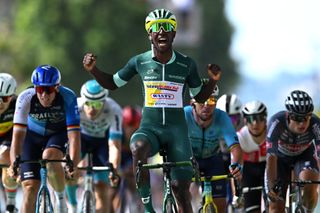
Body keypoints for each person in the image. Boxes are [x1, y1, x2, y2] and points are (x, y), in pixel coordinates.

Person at [82, 8, 221, 213]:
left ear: (174, 33)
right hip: (150, 129)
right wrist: (93, 70)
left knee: (181, 190)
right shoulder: (139, 61)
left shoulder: (186, 64)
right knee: (138, 148)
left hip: (177, 133)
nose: (162, 31)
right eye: (156, 27)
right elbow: (112, 83)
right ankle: (148, 208)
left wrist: (213, 81)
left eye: (167, 27)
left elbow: (199, 96)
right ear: (150, 34)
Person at [8, 65, 81, 213]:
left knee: (50, 157)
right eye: (40, 90)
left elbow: (74, 136)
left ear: (57, 87)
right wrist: (14, 163)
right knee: (29, 187)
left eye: (49, 90)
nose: (44, 95)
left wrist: (74, 164)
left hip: (57, 134)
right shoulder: (25, 97)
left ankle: (61, 201)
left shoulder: (68, 97)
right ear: (35, 88)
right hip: (32, 137)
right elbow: (17, 136)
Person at [65, 79, 122, 213]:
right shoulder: (75, 106)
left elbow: (115, 144)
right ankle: (72, 206)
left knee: (102, 187)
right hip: (80, 140)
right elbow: (68, 137)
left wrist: (114, 169)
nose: (92, 108)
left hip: (102, 142)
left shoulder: (114, 109)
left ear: (104, 102)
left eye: (96, 104)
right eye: (88, 103)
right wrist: (71, 162)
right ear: (83, 100)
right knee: (70, 171)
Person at [184, 85, 243, 213]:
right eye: (201, 100)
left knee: (220, 206)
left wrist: (236, 164)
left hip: (213, 160)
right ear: (192, 103)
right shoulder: (184, 114)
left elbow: (235, 147)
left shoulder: (222, 117)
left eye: (211, 101)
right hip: (189, 160)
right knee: (183, 202)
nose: (206, 105)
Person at [265, 90, 320, 213]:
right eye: (297, 118)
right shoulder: (276, 122)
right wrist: (271, 186)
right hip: (279, 159)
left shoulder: (316, 124)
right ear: (288, 115)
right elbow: (271, 157)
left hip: (303, 156)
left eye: (307, 117)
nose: (302, 123)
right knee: (275, 207)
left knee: (310, 185)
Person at [237, 100, 268, 213]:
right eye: (251, 119)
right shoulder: (240, 136)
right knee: (252, 209)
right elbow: (235, 167)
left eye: (259, 118)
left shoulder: (272, 132)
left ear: (265, 119)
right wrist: (237, 192)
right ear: (245, 121)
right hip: (249, 170)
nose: (255, 123)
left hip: (269, 167)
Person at [118, 105, 143, 212]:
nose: (131, 129)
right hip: (120, 154)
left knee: (134, 180)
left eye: (134, 126)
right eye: (128, 126)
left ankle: (137, 203)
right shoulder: (119, 131)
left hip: (133, 155)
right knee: (114, 184)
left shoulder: (141, 131)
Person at [0, 73, 19, 213]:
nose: (0, 103)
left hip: (9, 138)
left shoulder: (18, 104)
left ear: (11, 96)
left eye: (5, 98)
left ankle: (11, 204)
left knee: (5, 154)